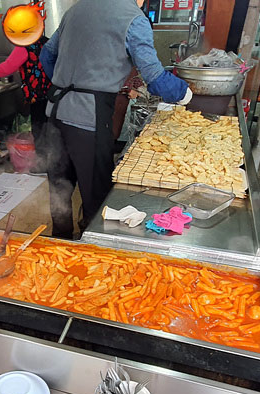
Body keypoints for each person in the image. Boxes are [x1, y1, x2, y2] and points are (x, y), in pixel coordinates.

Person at [39, 0, 192, 239]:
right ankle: (93, 244)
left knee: (59, 189)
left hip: (54, 113)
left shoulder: (76, 9)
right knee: (96, 194)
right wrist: (184, 94)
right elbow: (154, 76)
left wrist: (65, 82)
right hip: (89, 117)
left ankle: (60, 241)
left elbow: (46, 55)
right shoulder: (133, 18)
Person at [0, 1, 52, 125]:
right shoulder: (45, 41)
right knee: (49, 127)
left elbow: (9, 66)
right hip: (51, 93)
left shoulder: (24, 45)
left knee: (39, 129)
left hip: (37, 95)